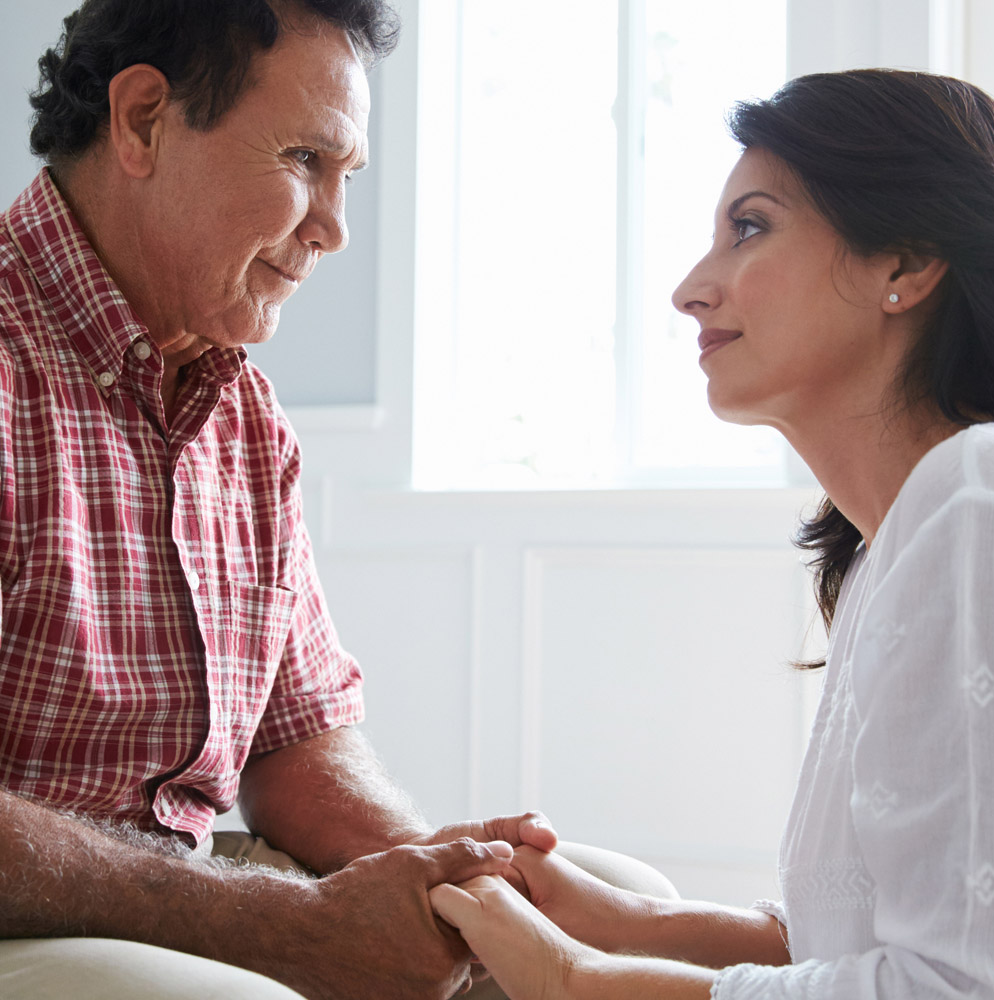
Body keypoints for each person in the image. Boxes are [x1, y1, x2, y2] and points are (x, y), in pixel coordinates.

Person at [0, 1, 608, 997]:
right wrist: (284, 925)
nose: (333, 229)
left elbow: (294, 746)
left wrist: (438, 883)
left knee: (585, 915)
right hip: (40, 920)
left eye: (347, 178)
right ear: (145, 120)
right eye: (303, 161)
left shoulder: (244, 413)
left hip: (183, 894)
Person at [427, 68, 994, 999]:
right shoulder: (899, 548)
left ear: (903, 262)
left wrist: (575, 980)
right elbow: (892, 938)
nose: (692, 290)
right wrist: (631, 923)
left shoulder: (977, 501)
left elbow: (954, 987)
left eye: (750, 227)